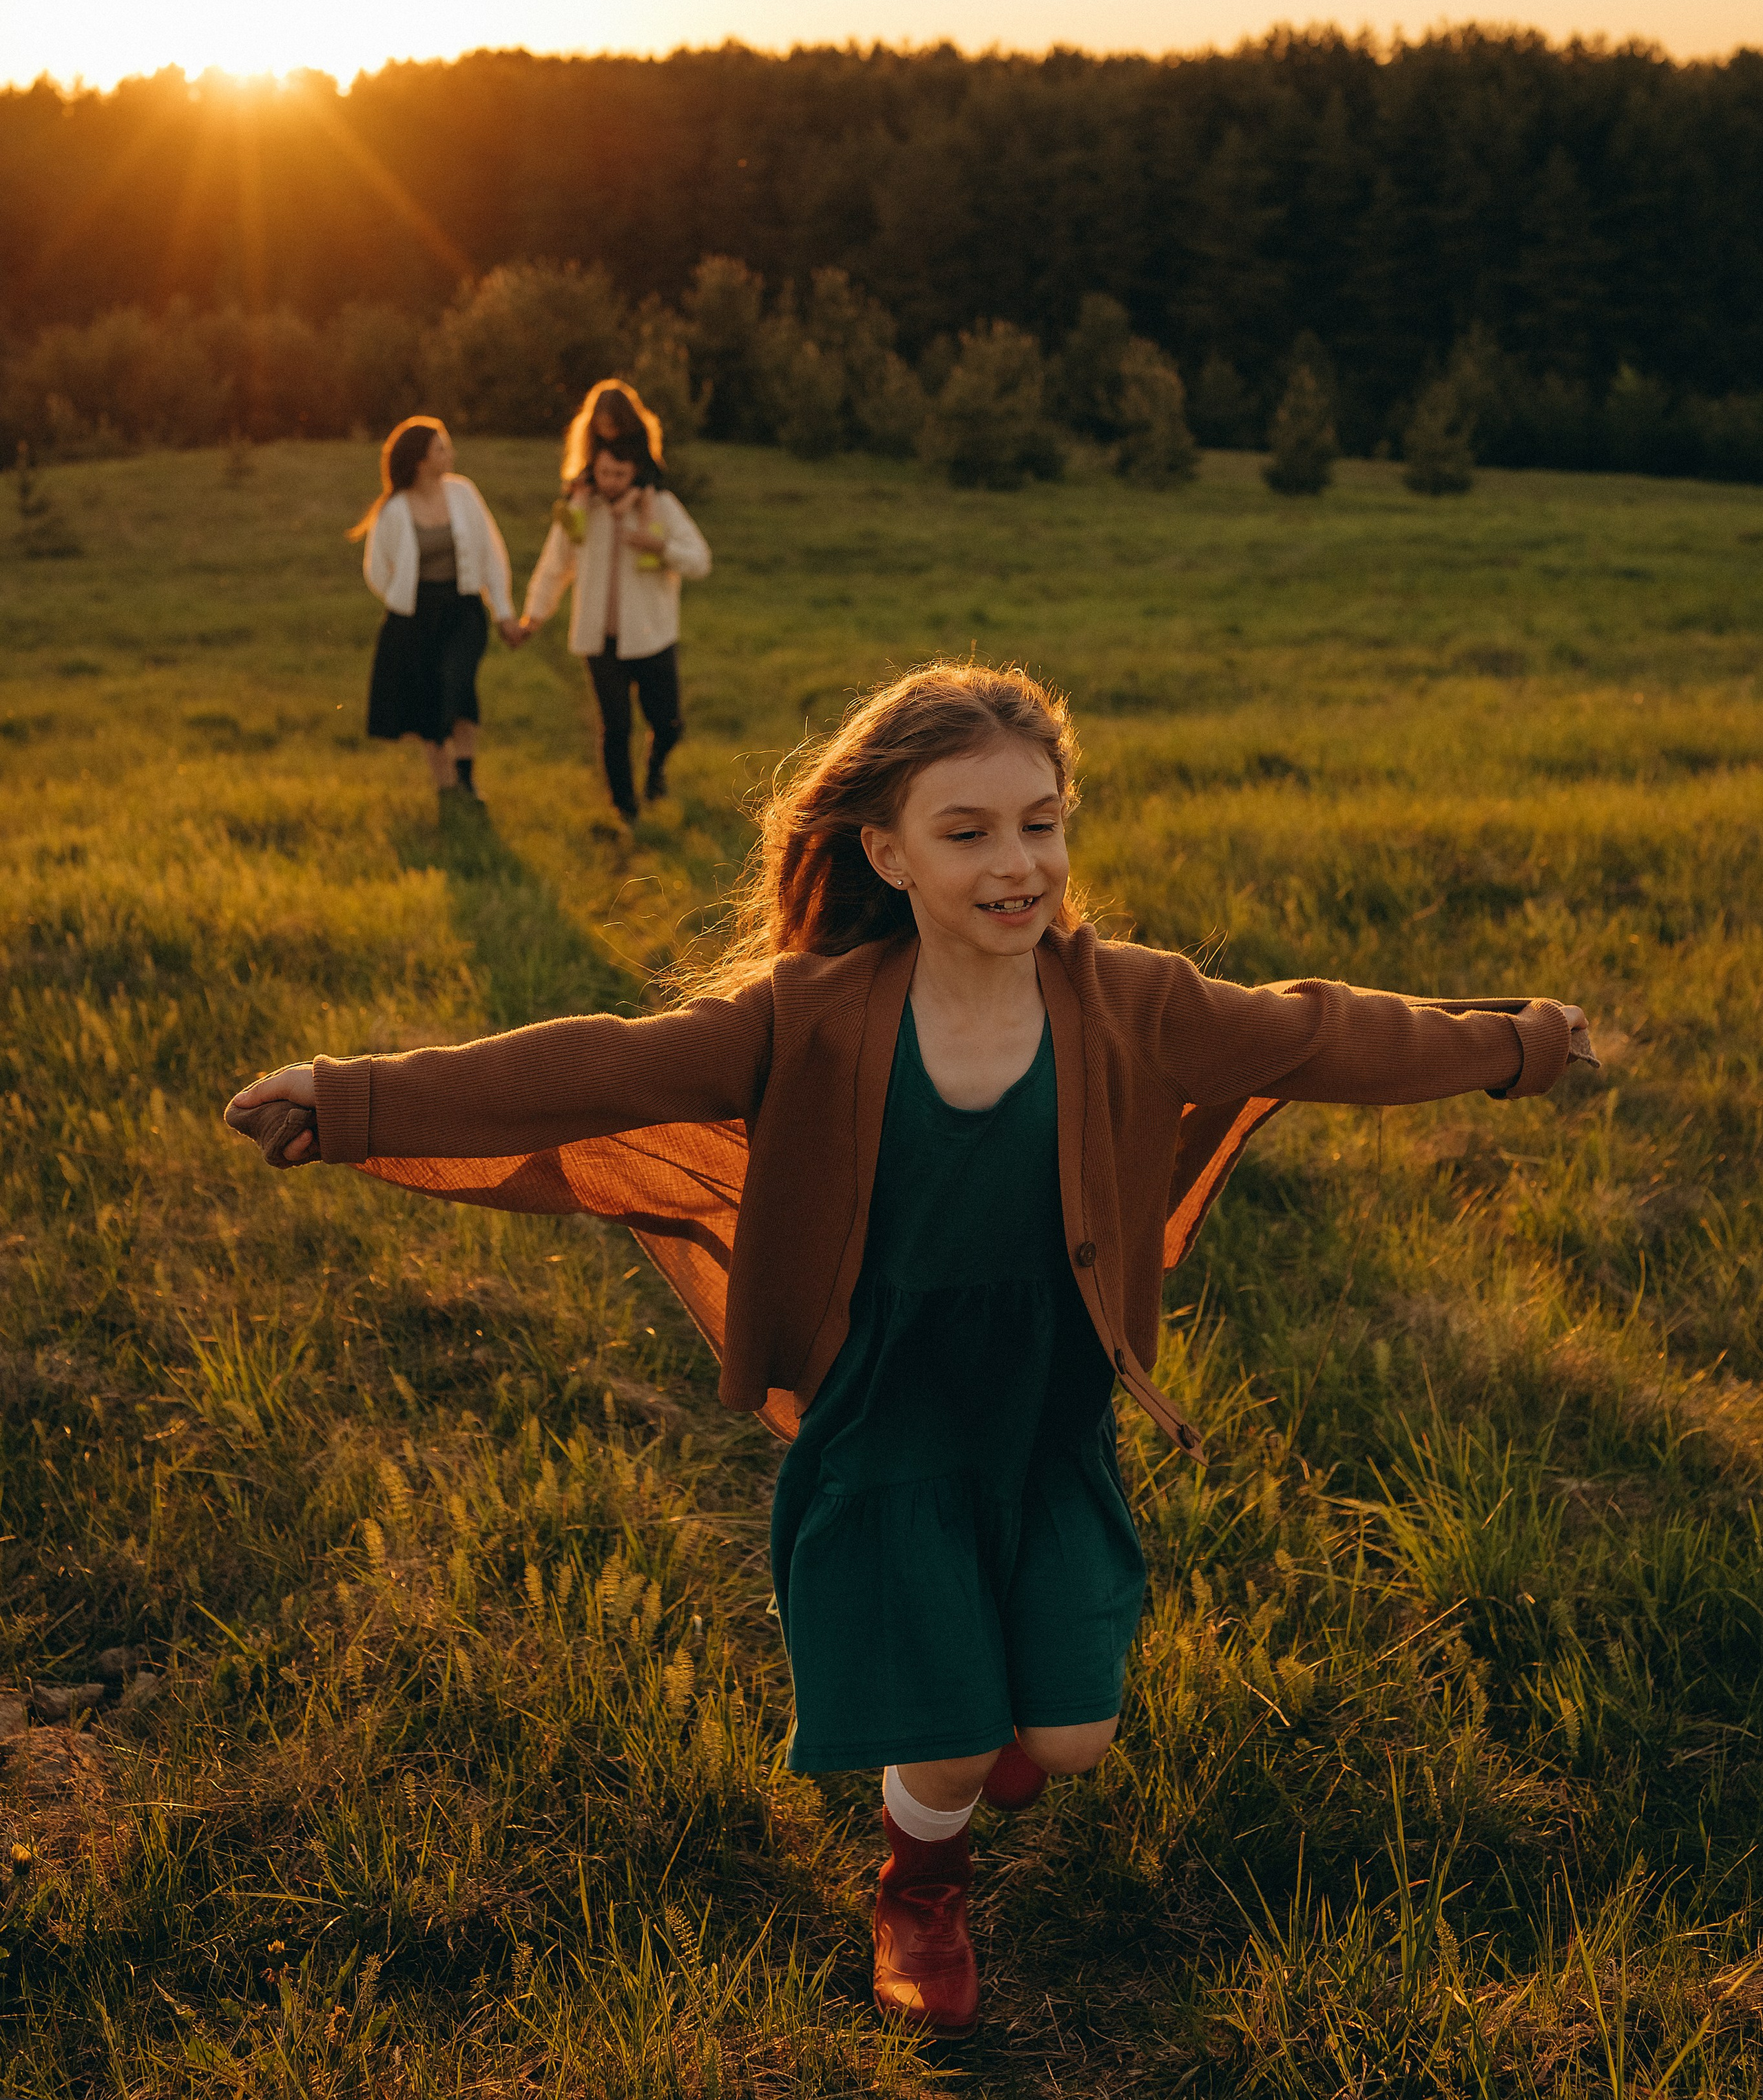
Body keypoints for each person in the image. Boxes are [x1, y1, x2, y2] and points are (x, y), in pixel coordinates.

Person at [225, 662, 1593, 2040]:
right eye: (968, 832)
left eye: (1041, 823)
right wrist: (350, 1099)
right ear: (884, 851)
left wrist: (1515, 1046)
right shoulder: (806, 1016)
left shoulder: (1129, 1000)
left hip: (1051, 1404)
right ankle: (917, 1883)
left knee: (1066, 1740)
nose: (1019, 864)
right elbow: (597, 1065)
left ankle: (967, 1733)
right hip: (886, 1411)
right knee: (942, 1743)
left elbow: (1315, 1030)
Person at [519, 377, 711, 822]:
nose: (610, 481)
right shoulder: (581, 509)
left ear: (634, 469)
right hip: (598, 639)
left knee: (668, 725)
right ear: (592, 462)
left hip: (653, 635)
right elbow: (555, 565)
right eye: (603, 471)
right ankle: (625, 810)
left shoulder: (659, 505)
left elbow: (700, 560)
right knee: (615, 727)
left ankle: (656, 769)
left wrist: (659, 546)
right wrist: (534, 616)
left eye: (619, 475)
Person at [352, 415, 520, 801]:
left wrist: (503, 611)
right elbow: (376, 571)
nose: (450, 453)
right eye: (441, 447)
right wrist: (402, 599)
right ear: (420, 460)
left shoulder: (464, 494)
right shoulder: (393, 510)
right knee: (427, 699)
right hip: (416, 617)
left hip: (463, 610)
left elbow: (491, 554)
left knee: (458, 685)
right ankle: (446, 787)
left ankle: (466, 776)